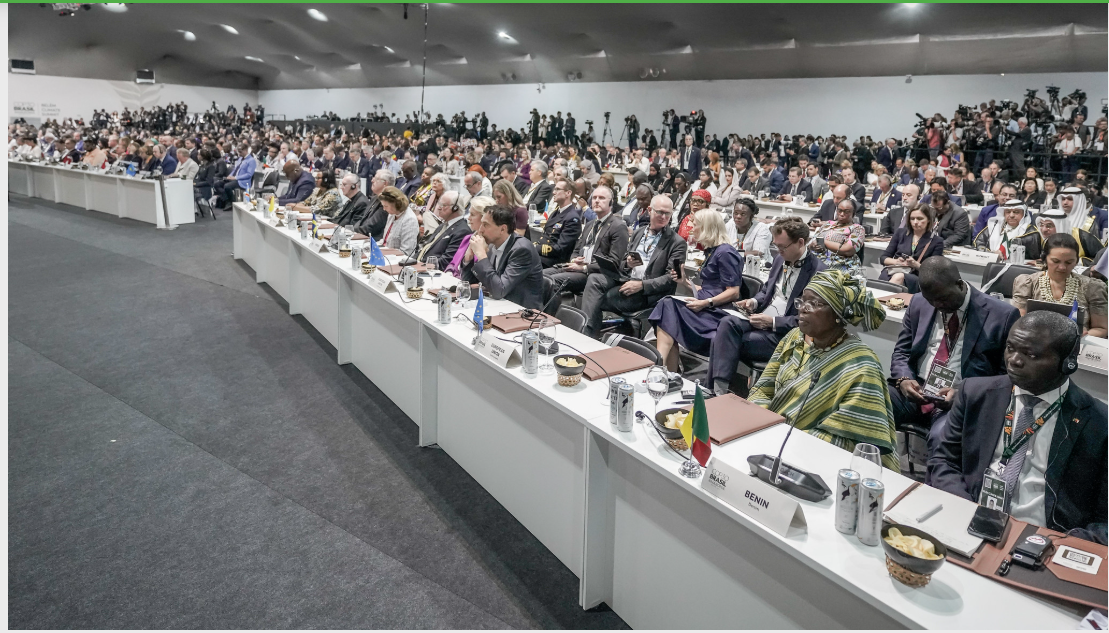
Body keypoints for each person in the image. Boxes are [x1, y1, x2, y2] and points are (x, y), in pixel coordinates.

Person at [930, 311, 1107, 544]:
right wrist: (966, 509)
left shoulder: (1097, 421)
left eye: (1030, 354)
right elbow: (943, 460)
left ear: (1068, 363)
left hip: (1047, 540)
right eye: (1010, 348)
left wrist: (1063, 544)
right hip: (970, 518)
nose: (1014, 360)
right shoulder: (975, 393)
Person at [750, 270, 900, 470]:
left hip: (816, 462)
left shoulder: (861, 365)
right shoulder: (794, 338)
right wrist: (762, 425)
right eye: (802, 301)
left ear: (839, 314)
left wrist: (788, 439)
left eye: (815, 304)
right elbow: (762, 389)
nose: (803, 309)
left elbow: (850, 441)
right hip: (771, 441)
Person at [888, 257, 1019, 469]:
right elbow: (902, 351)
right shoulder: (920, 302)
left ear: (960, 284)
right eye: (933, 301)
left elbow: (1007, 376)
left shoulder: (1001, 315)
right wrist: (904, 379)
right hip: (917, 387)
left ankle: (938, 494)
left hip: (960, 397)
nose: (939, 307)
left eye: (943, 299)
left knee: (942, 438)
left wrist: (963, 393)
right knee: (870, 404)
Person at [706, 217, 825, 396]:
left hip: (785, 334)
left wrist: (773, 322)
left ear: (801, 242)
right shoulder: (779, 260)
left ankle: (716, 391)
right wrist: (753, 302)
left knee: (721, 340)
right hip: (761, 319)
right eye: (776, 246)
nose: (778, 251)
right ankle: (718, 391)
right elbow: (766, 291)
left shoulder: (818, 272)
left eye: (782, 247)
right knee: (727, 322)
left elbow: (809, 320)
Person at [649, 210, 743, 371]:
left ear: (707, 227)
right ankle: (666, 371)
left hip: (717, 312)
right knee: (668, 308)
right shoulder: (713, 251)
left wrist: (706, 303)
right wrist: (684, 282)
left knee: (668, 305)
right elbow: (708, 288)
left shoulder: (726, 253)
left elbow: (733, 292)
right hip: (706, 305)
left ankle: (659, 367)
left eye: (696, 224)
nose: (692, 227)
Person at [580, 195, 686, 336]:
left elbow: (670, 279)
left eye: (667, 213)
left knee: (597, 298)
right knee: (594, 279)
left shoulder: (676, 242)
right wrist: (628, 264)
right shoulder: (638, 233)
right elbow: (623, 262)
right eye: (659, 212)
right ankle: (588, 332)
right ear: (649, 210)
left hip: (648, 292)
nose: (663, 216)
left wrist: (642, 285)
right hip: (627, 280)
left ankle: (587, 334)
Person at [1012, 234, 1108, 338]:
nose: (1062, 267)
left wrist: (1084, 335)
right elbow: (1018, 322)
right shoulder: (1028, 283)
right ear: (1045, 259)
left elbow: (1102, 329)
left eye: (1069, 262)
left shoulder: (1092, 287)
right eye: (1056, 261)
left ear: (1076, 262)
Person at [542, 185, 628, 298]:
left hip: (594, 273)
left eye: (602, 198)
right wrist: (574, 259)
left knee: (552, 281)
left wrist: (584, 268)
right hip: (577, 268)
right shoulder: (589, 224)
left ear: (611, 202)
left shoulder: (618, 226)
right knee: (541, 275)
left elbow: (614, 262)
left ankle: (551, 315)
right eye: (594, 198)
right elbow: (576, 249)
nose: (597, 201)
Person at [459, 205, 544, 309]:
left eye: (485, 225)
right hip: (499, 306)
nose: (480, 230)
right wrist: (469, 258)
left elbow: (499, 291)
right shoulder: (492, 244)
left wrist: (481, 255)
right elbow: (468, 283)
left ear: (503, 229)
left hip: (522, 312)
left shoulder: (522, 250)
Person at [879, 205, 944, 292]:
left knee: (899, 277)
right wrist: (896, 262)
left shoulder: (936, 241)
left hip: (918, 276)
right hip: (895, 270)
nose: (915, 222)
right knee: (895, 276)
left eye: (920, 219)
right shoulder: (900, 233)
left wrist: (916, 265)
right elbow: (883, 258)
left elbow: (934, 271)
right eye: (912, 219)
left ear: (928, 220)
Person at [810, 199, 865, 278]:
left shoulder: (857, 229)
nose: (842, 214)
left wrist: (825, 243)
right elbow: (812, 242)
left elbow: (848, 250)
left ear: (853, 213)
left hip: (840, 264)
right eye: (840, 210)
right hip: (816, 260)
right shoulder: (828, 224)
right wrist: (813, 245)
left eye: (846, 211)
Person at [534, 178, 582, 267]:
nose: (553, 192)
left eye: (557, 189)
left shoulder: (572, 218)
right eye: (554, 189)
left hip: (553, 261)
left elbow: (560, 249)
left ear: (568, 193)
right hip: (542, 256)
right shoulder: (557, 212)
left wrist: (536, 248)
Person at [973, 200, 1042, 260]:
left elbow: (1033, 259)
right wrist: (991, 254)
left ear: (1024, 214)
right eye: (1008, 212)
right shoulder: (994, 227)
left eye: (1016, 212)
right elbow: (979, 243)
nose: (1011, 215)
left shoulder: (1032, 233)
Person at [416, 191, 470, 265]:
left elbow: (446, 261)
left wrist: (421, 266)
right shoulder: (443, 225)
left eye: (443, 205)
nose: (438, 208)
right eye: (439, 204)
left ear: (455, 208)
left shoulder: (462, 231)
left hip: (433, 272)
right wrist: (411, 261)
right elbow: (425, 248)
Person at [1054, 186, 1108, 260]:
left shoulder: (1089, 223)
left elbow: (1096, 251)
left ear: (1079, 201)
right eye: (1063, 199)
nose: (1065, 202)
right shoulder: (1055, 219)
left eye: (1070, 199)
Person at [445, 196, 494, 277]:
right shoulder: (468, 238)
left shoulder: (492, 244)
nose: (468, 218)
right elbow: (452, 264)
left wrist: (468, 260)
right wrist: (449, 273)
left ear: (484, 218)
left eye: (472, 214)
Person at [378, 187, 419, 255]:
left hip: (398, 260)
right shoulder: (392, 214)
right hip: (385, 254)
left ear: (396, 204)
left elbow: (407, 252)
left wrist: (384, 252)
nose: (384, 209)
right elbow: (386, 241)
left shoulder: (410, 220)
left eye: (386, 206)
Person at [218, 142, 256, 209]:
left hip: (243, 181)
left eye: (240, 152)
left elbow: (249, 174)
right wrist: (230, 176)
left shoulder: (251, 160)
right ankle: (227, 200)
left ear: (246, 151)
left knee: (227, 186)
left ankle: (231, 202)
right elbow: (235, 169)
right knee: (217, 184)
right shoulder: (240, 158)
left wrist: (235, 178)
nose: (239, 154)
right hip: (234, 179)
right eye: (238, 152)